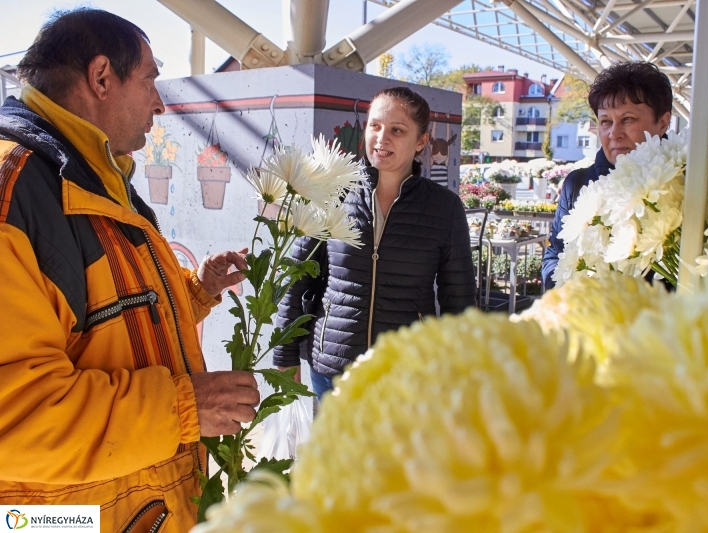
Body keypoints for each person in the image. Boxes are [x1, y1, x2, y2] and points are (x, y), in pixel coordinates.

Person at [0, 9, 260, 532]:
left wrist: (196, 291)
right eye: (150, 81)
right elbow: (16, 418)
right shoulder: (16, 192)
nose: (160, 105)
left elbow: (106, 321)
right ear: (101, 78)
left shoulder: (91, 175)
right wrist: (185, 407)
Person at [273, 87, 477, 398]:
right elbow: (296, 278)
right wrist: (284, 355)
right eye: (375, 126)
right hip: (333, 370)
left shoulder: (444, 208)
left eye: (397, 130)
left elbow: (458, 299)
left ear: (421, 141)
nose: (382, 139)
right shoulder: (334, 193)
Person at [541, 62, 672, 289]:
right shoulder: (577, 184)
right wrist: (575, 288)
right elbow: (554, 256)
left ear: (662, 122)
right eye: (605, 121)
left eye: (628, 119)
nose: (614, 133)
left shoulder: (685, 184)